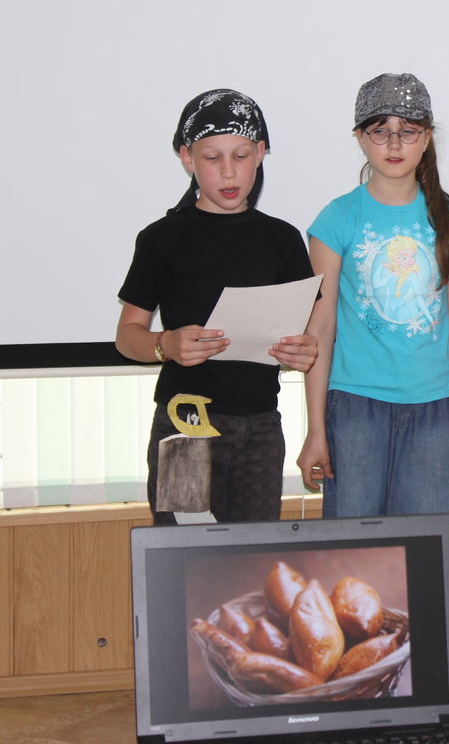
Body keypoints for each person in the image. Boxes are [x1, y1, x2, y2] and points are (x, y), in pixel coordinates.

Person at [116, 89, 318, 525]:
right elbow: (127, 335)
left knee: (252, 555)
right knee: (184, 553)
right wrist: (166, 344)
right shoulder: (161, 239)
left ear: (260, 153)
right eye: (212, 158)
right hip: (185, 422)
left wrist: (302, 351)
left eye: (241, 156)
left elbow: (300, 335)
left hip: (261, 427)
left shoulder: (282, 240)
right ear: (186, 157)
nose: (229, 171)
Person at [297, 73, 449, 517]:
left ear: (427, 138)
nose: (394, 144)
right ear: (361, 138)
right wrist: (316, 429)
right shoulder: (337, 219)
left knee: (421, 546)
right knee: (353, 545)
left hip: (436, 409)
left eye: (408, 131)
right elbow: (320, 327)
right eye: (380, 131)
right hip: (355, 408)